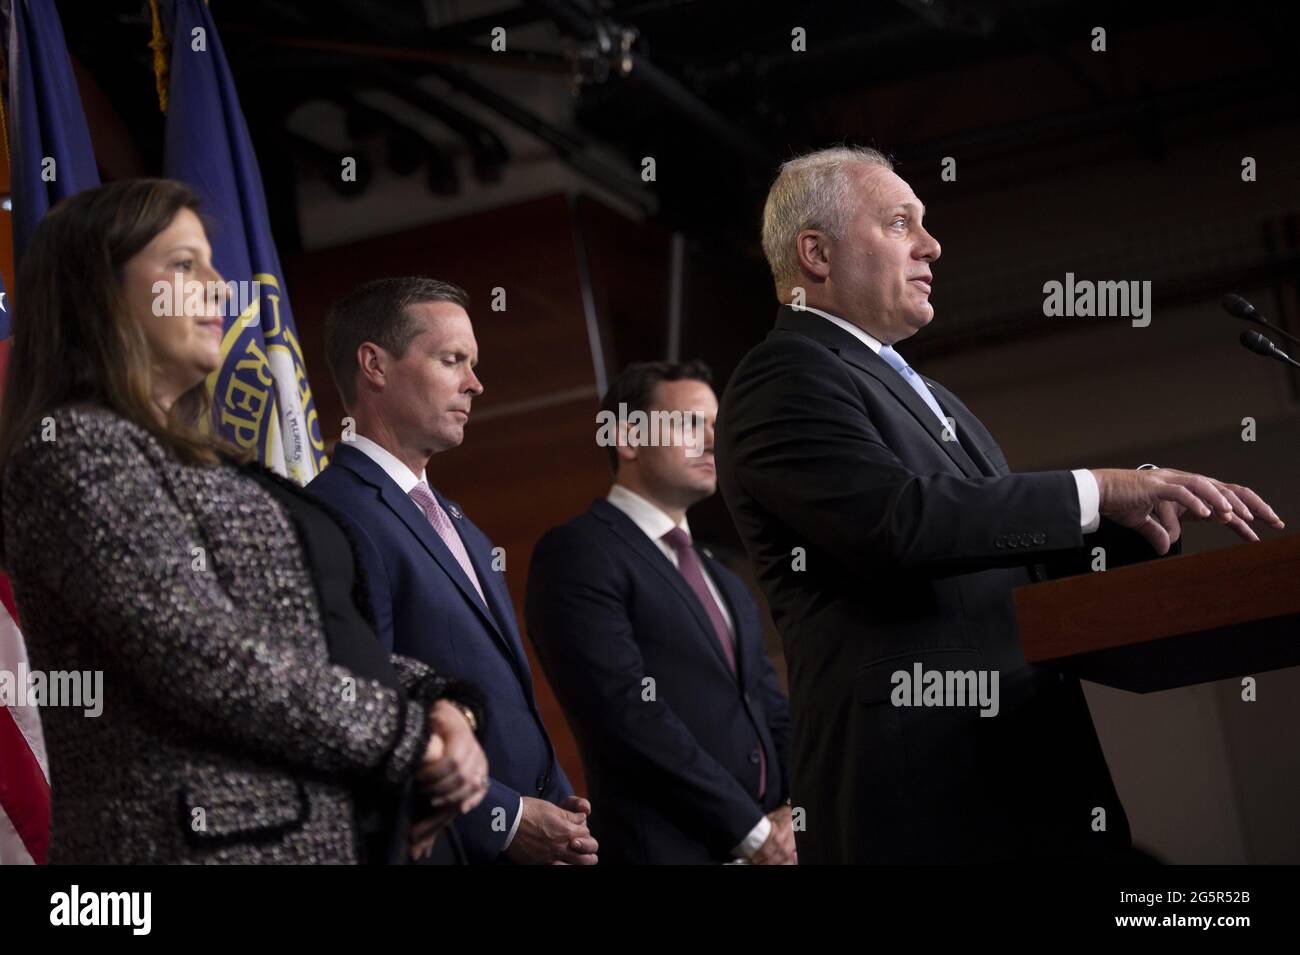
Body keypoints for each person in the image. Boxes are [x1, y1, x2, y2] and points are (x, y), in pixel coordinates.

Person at [715, 146, 1285, 864]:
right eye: (900, 223)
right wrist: (1098, 488)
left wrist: (1126, 530)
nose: (933, 244)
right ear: (816, 253)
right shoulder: (782, 376)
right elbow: (897, 524)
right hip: (926, 793)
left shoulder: (933, 396)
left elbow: (1002, 561)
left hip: (1027, 770)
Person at [0, 179, 489, 864]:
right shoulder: (76, 452)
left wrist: (442, 703)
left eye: (211, 261)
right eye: (182, 264)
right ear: (99, 290)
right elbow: (205, 657)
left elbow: (303, 634)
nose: (218, 286)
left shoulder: (207, 462)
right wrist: (411, 738)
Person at [308, 277, 597, 865]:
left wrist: (557, 802)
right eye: (451, 360)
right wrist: (506, 818)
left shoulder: (460, 524)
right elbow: (365, 708)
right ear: (375, 365)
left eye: (474, 363)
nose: (475, 383)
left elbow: (506, 699)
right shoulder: (334, 515)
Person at [526, 360, 795, 864]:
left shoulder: (727, 580)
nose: (713, 442)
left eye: (717, 427)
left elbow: (770, 709)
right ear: (628, 439)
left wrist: (791, 814)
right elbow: (625, 713)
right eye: (692, 424)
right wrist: (754, 834)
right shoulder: (580, 552)